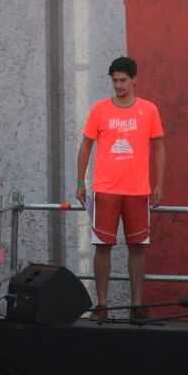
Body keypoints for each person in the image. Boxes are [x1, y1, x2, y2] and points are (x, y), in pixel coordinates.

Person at [76, 56, 167, 322]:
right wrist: (80, 182)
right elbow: (86, 145)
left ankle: (137, 305)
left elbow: (159, 146)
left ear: (134, 79)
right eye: (115, 80)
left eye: (123, 80)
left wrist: (160, 183)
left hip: (138, 190)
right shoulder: (100, 109)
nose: (119, 85)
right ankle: (102, 305)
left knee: (137, 247)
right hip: (105, 190)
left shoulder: (149, 110)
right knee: (102, 246)